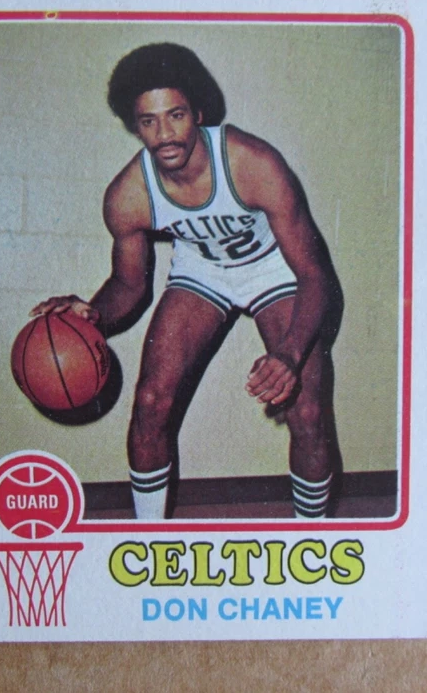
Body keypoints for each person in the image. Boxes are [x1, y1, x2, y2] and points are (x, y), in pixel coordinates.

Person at [31, 43, 340, 519]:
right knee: (151, 401)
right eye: (149, 121)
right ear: (135, 126)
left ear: (197, 113)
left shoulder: (253, 163)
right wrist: (91, 314)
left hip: (275, 267)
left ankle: (312, 540)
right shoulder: (128, 196)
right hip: (203, 270)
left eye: (175, 116)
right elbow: (129, 286)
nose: (164, 135)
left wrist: (290, 354)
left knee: (307, 409)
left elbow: (315, 275)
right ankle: (150, 540)